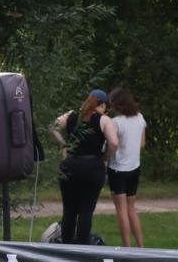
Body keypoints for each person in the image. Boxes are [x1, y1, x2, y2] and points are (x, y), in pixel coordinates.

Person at [49, 89, 119, 245]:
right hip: (92, 166)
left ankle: (66, 245)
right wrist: (105, 157)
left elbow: (52, 127)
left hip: (70, 165)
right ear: (101, 105)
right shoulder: (104, 120)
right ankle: (82, 247)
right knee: (86, 209)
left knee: (69, 210)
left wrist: (64, 145)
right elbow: (114, 143)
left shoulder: (72, 115)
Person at [107, 86, 146, 247]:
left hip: (118, 170)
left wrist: (106, 158)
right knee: (132, 208)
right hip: (134, 168)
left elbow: (113, 145)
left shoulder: (115, 122)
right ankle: (141, 246)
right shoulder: (140, 118)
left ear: (117, 104)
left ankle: (126, 247)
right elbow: (142, 144)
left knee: (121, 210)